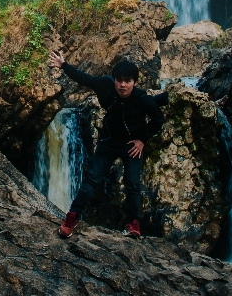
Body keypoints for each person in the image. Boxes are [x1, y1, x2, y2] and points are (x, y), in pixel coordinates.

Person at [48, 50, 166, 238]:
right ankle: (72, 216)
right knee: (92, 178)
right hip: (109, 141)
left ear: (134, 82)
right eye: (119, 80)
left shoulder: (143, 99)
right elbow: (84, 79)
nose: (122, 85)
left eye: (127, 80)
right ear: (114, 80)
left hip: (131, 145)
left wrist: (143, 140)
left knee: (133, 184)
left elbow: (158, 120)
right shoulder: (105, 86)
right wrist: (64, 65)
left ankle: (133, 224)